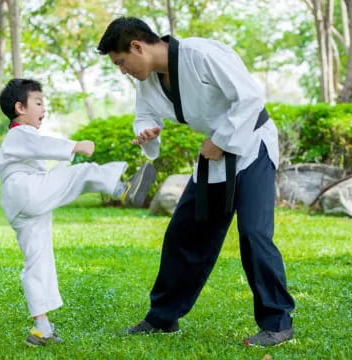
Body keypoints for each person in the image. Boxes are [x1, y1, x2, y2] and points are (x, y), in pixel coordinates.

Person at [97, 17, 295, 347]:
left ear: (137, 47)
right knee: (184, 234)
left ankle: (277, 322)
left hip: (251, 145)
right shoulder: (147, 82)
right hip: (214, 156)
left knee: (254, 233)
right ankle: (163, 317)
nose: (122, 70)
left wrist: (221, 139)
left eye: (121, 62)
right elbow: (144, 115)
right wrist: (145, 131)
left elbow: (249, 99)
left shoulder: (200, 53)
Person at [0, 78, 155, 346]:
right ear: (20, 107)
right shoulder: (19, 132)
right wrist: (75, 145)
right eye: (38, 102)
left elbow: (35, 148)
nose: (43, 108)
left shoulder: (18, 136)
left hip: (20, 203)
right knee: (81, 172)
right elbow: (41, 146)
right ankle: (122, 190)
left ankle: (41, 328)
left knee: (37, 260)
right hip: (27, 189)